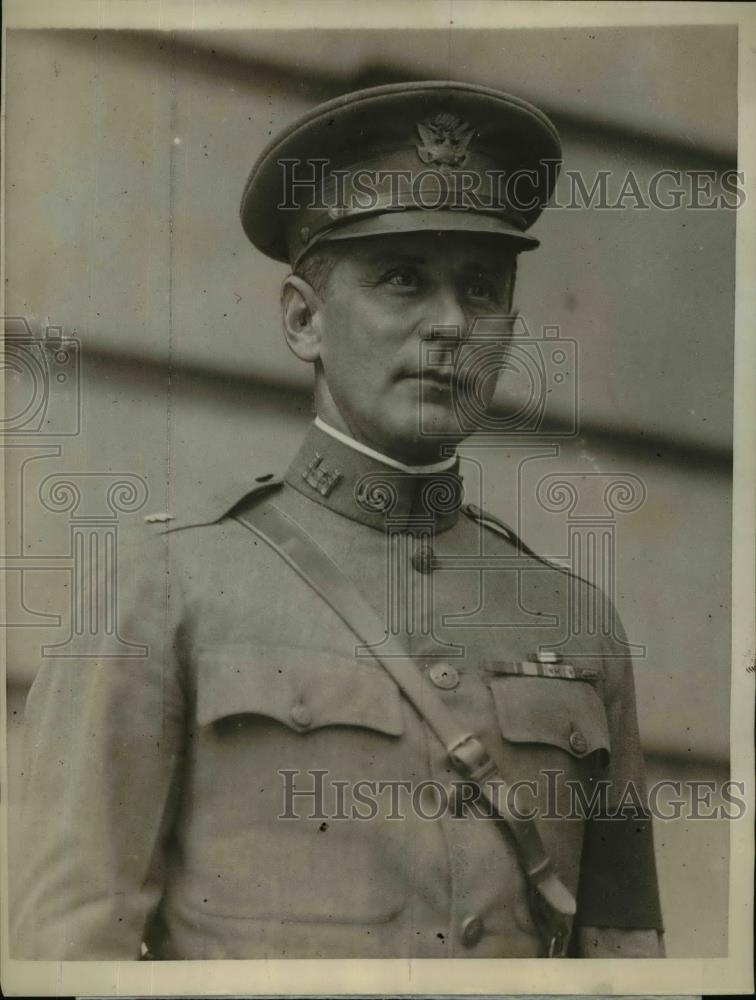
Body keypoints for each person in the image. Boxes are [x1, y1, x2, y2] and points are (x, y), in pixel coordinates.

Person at [13, 80, 664, 960]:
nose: (449, 325)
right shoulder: (157, 589)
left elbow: (625, 958)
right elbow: (70, 948)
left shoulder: (581, 627)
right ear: (303, 319)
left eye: (481, 288)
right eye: (402, 280)